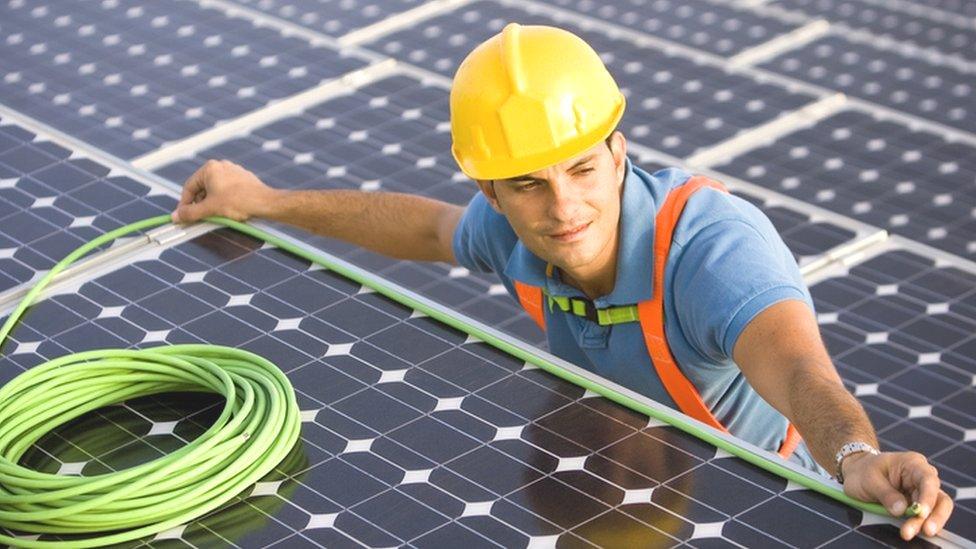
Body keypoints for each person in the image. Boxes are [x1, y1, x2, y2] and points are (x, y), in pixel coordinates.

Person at [171, 23, 954, 540]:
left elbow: (796, 366)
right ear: (493, 193)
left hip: (754, 504)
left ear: (619, 150)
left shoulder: (713, 250)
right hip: (603, 491)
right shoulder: (510, 234)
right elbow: (423, 226)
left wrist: (854, 454)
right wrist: (265, 200)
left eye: (583, 169)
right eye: (527, 186)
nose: (563, 208)